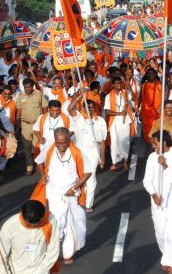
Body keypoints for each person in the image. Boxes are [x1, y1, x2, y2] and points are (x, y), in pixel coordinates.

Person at [142, 130, 172, 274]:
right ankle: (170, 258)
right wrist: (154, 195)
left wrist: (165, 165)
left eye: (155, 143)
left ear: (164, 143)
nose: (152, 145)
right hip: (157, 202)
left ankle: (171, 270)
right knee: (161, 236)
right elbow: (147, 180)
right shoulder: (151, 157)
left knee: (171, 235)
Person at [36, 127, 88, 264]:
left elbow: (87, 173)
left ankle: (67, 254)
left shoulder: (76, 152)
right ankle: (53, 252)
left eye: (64, 142)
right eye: (58, 143)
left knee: (74, 223)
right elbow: (38, 163)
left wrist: (75, 187)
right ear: (55, 140)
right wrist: (43, 175)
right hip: (53, 192)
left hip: (71, 193)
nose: (61, 146)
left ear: (68, 139)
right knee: (58, 221)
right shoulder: (49, 149)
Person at [67, 93, 107, 213]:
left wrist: (103, 158)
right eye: (87, 107)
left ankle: (88, 204)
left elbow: (102, 142)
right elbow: (70, 108)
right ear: (83, 108)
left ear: (95, 108)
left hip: (93, 155)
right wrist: (80, 95)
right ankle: (77, 200)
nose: (90, 109)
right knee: (77, 178)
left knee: (91, 180)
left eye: (92, 107)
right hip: (79, 154)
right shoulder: (79, 118)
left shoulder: (100, 121)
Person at [104, 77, 135, 171]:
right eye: (116, 83)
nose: (118, 85)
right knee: (114, 142)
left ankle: (125, 160)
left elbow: (133, 98)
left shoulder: (125, 93)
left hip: (125, 121)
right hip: (114, 122)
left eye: (120, 83)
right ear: (113, 85)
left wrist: (129, 87)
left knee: (125, 142)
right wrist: (119, 113)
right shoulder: (108, 96)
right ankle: (114, 162)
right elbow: (107, 112)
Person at [18, 78, 48, 175]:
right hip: (25, 124)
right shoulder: (20, 96)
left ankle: (38, 165)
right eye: (25, 87)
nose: (27, 89)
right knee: (26, 147)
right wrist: (17, 125)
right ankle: (29, 166)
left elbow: (44, 108)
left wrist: (46, 122)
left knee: (37, 147)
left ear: (32, 86)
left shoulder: (39, 94)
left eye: (29, 87)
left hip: (37, 125)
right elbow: (18, 111)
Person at [0, 85, 19, 174]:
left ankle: (0, 170)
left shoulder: (14, 102)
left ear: (11, 94)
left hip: (8, 130)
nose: (6, 96)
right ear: (2, 93)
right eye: (5, 94)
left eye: (9, 94)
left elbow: (17, 113)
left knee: (7, 151)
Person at [140, 68, 163, 143]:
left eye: (153, 73)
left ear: (156, 74)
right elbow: (140, 97)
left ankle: (156, 149)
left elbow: (164, 97)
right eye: (149, 73)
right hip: (146, 113)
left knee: (157, 132)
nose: (151, 75)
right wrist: (138, 108)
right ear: (146, 75)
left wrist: (160, 107)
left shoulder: (160, 85)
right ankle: (150, 150)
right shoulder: (143, 85)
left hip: (157, 112)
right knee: (147, 134)